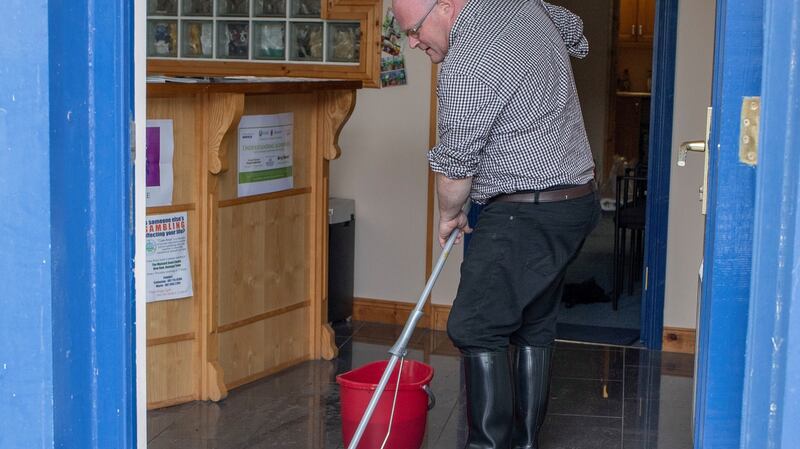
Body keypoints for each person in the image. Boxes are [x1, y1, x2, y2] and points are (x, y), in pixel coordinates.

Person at [390, 0, 600, 448]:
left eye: (414, 30)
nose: (412, 43)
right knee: (533, 323)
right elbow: (576, 34)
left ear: (446, 8)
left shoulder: (468, 63)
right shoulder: (523, 5)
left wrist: (450, 214)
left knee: (473, 325)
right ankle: (524, 443)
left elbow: (455, 166)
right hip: (574, 202)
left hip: (527, 211)